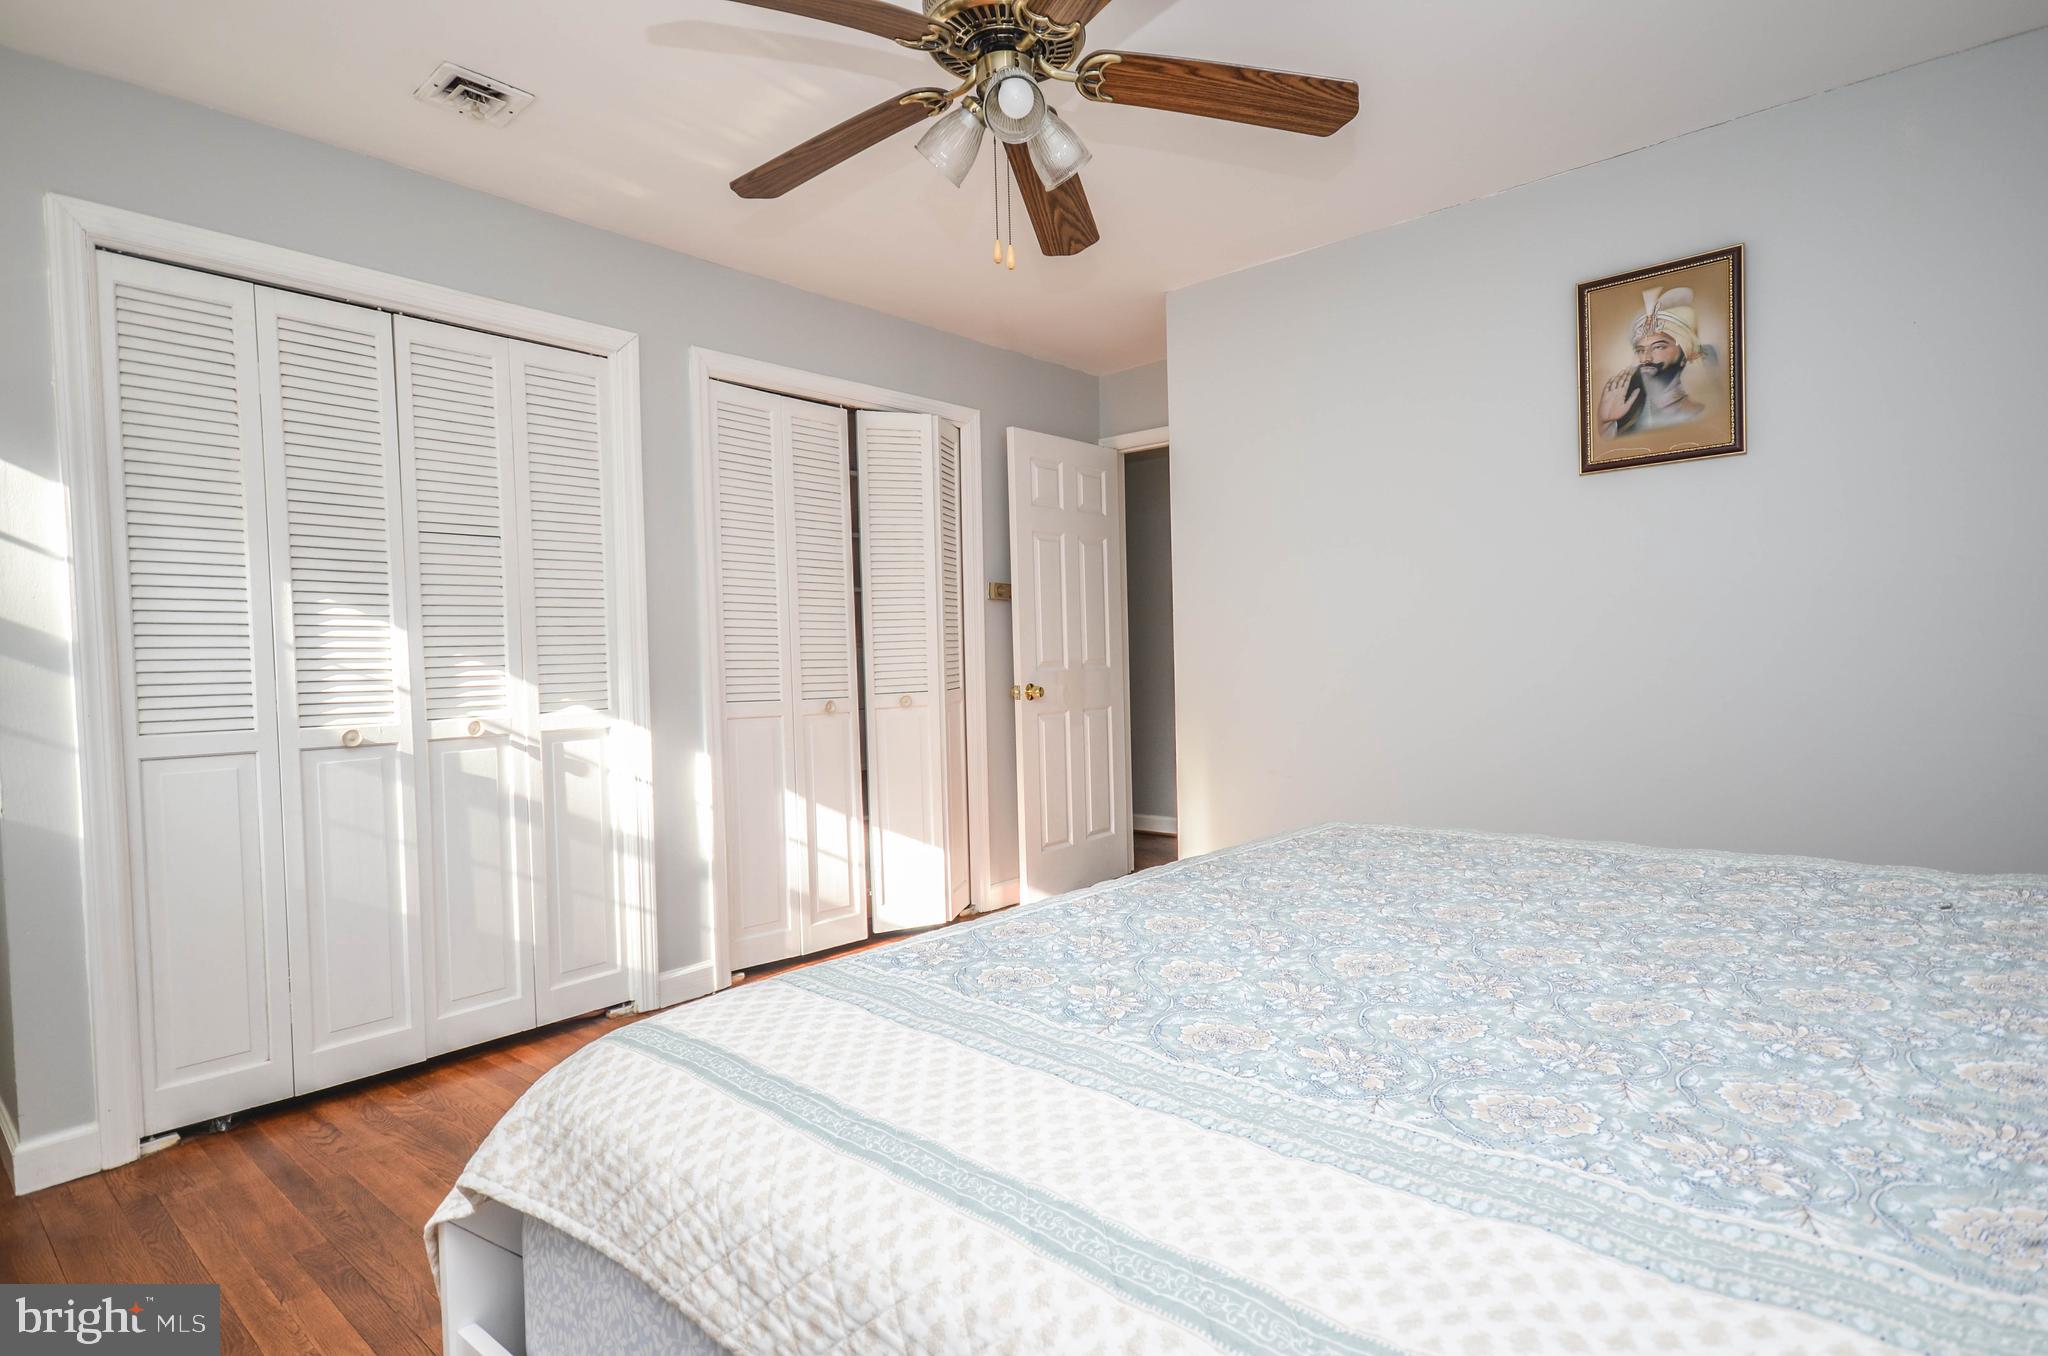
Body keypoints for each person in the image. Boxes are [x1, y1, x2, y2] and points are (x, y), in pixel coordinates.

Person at [1596, 286, 1717, 436]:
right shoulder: (1627, 413)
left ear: (1685, 354)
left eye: (1658, 347)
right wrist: (1605, 423)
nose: (1646, 358)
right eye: (1640, 350)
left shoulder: (1699, 416)